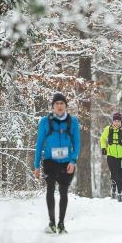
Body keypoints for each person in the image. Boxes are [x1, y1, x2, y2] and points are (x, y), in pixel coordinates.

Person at [34, 93, 81, 234]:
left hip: (67, 162)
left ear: (66, 106)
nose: (59, 106)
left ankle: (61, 224)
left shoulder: (73, 121)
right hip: (50, 161)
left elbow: (77, 143)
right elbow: (39, 143)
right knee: (50, 189)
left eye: (62, 104)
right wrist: (36, 165)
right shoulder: (44, 122)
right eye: (57, 104)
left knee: (63, 191)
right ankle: (51, 223)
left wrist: (73, 161)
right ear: (53, 106)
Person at [99, 113, 122, 202]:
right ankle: (113, 191)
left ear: (121, 121)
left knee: (120, 175)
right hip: (111, 156)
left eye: (118, 121)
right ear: (113, 121)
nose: (117, 123)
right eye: (115, 121)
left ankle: (119, 194)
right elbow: (102, 139)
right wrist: (103, 147)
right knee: (114, 173)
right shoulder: (108, 129)